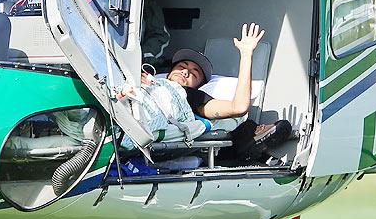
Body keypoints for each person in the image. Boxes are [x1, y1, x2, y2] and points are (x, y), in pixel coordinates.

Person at [122, 23, 291, 158]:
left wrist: (246, 54)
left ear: (198, 86)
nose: (186, 71)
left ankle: (251, 136)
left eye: (194, 74)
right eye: (181, 66)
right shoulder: (148, 78)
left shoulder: (190, 96)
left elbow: (238, 107)